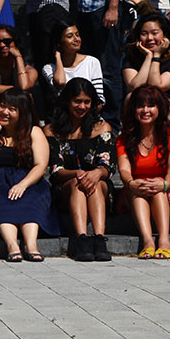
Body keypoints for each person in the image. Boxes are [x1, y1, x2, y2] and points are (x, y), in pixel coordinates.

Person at [0, 89, 58, 262]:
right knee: (1, 199)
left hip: (28, 180)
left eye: (12, 109)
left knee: (32, 198)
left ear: (22, 112)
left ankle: (31, 245)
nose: (5, 112)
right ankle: (12, 245)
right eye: (2, 106)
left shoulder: (34, 131)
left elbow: (41, 165)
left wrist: (23, 184)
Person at [44, 78, 114, 262]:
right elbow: (55, 170)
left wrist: (96, 173)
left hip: (97, 184)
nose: (82, 106)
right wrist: (77, 173)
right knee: (78, 183)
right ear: (67, 101)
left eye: (86, 102)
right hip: (65, 187)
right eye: (77, 101)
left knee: (95, 184)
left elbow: (107, 166)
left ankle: (99, 239)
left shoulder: (102, 127)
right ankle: (81, 239)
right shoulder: (51, 131)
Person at [116, 84, 170, 260]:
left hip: (166, 188)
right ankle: (148, 241)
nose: (145, 110)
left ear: (159, 109)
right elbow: (124, 169)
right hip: (135, 188)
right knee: (138, 192)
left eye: (151, 105)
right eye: (140, 106)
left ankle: (164, 240)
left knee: (158, 192)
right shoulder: (124, 138)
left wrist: (164, 184)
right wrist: (131, 183)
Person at [122, 8, 170, 125]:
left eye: (154, 33)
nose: (149, 38)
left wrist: (156, 56)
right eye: (144, 34)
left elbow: (157, 86)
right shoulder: (131, 58)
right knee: (130, 97)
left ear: (165, 35)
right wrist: (148, 57)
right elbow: (135, 86)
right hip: (140, 112)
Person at [41, 21, 105, 107]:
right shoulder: (49, 68)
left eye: (77, 35)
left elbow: (99, 99)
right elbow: (60, 83)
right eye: (70, 36)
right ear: (59, 43)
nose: (76, 39)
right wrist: (57, 56)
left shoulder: (92, 62)